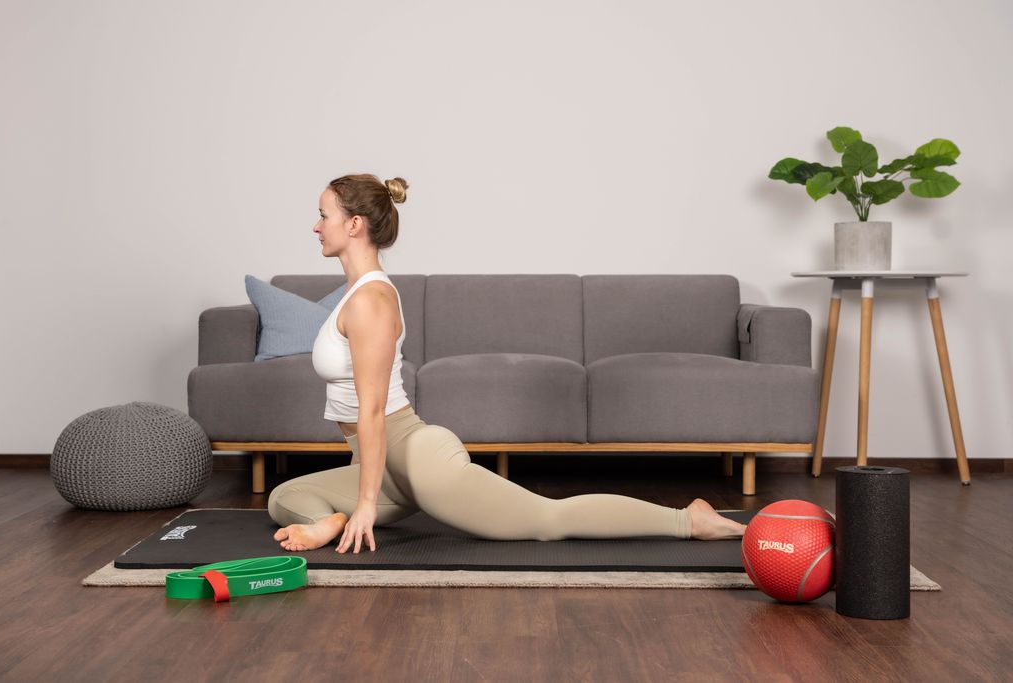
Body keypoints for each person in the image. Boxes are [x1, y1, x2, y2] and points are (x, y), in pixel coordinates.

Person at [269, 173, 747, 554]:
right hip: (377, 462)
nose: (316, 226)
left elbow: (372, 412)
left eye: (323, 215)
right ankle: (329, 521)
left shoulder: (371, 300)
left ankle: (689, 520)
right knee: (283, 498)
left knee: (547, 520)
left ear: (354, 224)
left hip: (415, 459)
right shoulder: (354, 295)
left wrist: (368, 505)